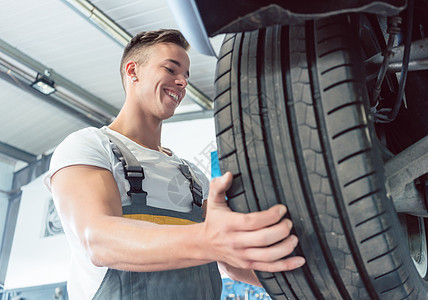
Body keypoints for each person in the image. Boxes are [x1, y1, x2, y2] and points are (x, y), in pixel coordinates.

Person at [44, 29, 305, 299]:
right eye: (171, 69)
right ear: (133, 71)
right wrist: (208, 240)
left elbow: (233, 261)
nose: (182, 82)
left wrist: (311, 285)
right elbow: (99, 240)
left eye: (186, 76)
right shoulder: (89, 146)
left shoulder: (192, 175)